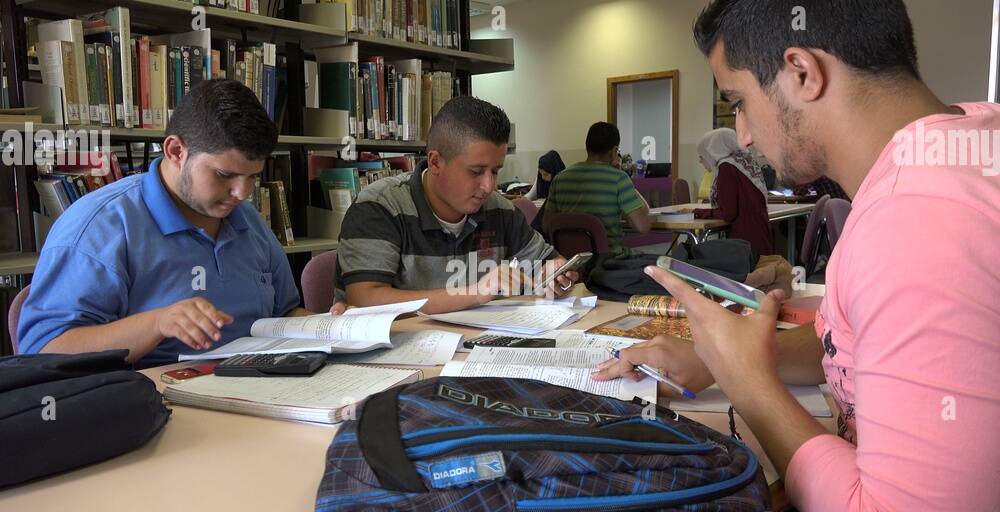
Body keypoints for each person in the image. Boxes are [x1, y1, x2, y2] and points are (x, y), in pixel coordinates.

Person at [593, 0, 999, 512]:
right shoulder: (969, 143)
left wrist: (749, 384)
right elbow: (864, 341)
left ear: (802, 73)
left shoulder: (918, 219)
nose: (745, 136)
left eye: (738, 103)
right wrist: (720, 359)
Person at [18, 80, 343, 368]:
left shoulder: (248, 221)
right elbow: (44, 354)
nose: (242, 193)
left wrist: (330, 325)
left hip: (259, 383)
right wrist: (157, 324)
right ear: (175, 151)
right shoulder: (99, 228)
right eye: (224, 175)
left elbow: (283, 315)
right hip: (156, 401)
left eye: (253, 177)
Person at [335, 96, 578, 313]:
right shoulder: (378, 208)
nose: (489, 186)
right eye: (476, 171)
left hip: (475, 352)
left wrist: (556, 274)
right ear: (435, 162)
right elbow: (364, 299)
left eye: (495, 171)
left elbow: (549, 262)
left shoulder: (501, 210)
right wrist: (476, 293)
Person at [543, 122, 651, 255]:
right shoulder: (618, 179)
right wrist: (622, 178)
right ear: (613, 151)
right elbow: (643, 227)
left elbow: (546, 225)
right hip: (609, 261)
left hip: (571, 263)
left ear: (587, 147)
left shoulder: (559, 178)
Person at [693, 128, 773, 255]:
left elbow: (728, 213)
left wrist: (698, 213)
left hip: (745, 241)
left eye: (702, 155)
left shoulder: (727, 168)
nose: (701, 161)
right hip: (759, 233)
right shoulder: (744, 161)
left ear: (713, 151)